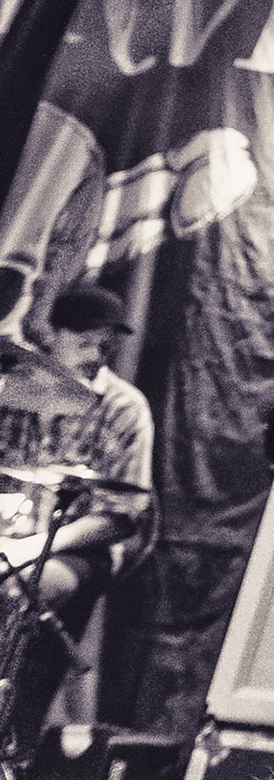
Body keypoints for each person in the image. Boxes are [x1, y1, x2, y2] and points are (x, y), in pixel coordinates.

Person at [0, 283, 153, 744]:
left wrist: (32, 548)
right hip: (10, 533)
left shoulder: (125, 408)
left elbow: (121, 515)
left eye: (105, 346)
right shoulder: (11, 389)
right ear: (52, 334)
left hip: (78, 547)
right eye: (85, 342)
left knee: (26, 585)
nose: (96, 355)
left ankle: (15, 733)